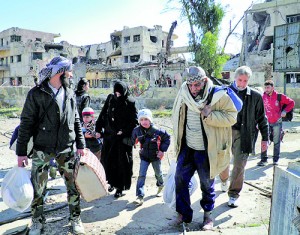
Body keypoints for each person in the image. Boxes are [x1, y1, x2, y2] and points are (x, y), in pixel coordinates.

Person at [16, 56, 86, 235]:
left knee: (73, 186)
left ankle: (75, 218)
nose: (71, 75)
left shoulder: (69, 91)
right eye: (69, 71)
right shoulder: (36, 93)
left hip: (66, 148)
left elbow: (76, 119)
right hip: (42, 149)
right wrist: (21, 153)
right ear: (60, 72)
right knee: (38, 188)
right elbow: (26, 123)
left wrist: (81, 143)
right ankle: (37, 221)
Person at [172, 66, 241, 231]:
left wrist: (210, 115)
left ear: (204, 81)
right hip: (187, 146)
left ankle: (208, 215)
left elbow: (232, 116)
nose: (193, 89)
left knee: (206, 183)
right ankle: (184, 214)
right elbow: (177, 115)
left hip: (207, 149)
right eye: (190, 85)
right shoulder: (184, 93)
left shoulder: (218, 95)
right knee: (180, 179)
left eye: (196, 85)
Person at [219, 66, 268, 208]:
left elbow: (262, 118)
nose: (242, 83)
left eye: (245, 81)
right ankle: (223, 180)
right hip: (225, 132)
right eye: (240, 80)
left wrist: (265, 138)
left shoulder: (255, 96)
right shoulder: (225, 92)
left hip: (244, 134)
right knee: (223, 161)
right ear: (235, 78)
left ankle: (233, 194)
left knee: (239, 165)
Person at [95, 80, 138, 198]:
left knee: (122, 163)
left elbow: (134, 122)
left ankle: (120, 187)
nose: (117, 96)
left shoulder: (130, 102)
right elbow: (103, 114)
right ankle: (111, 183)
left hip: (122, 140)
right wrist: (98, 129)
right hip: (109, 136)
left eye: (120, 94)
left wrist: (123, 131)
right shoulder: (110, 99)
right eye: (116, 93)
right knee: (108, 161)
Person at [130, 109, 170, 206]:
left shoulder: (158, 131)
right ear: (139, 121)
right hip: (144, 156)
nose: (144, 122)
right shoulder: (136, 130)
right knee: (141, 175)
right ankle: (140, 196)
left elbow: (167, 139)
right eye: (142, 119)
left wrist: (162, 150)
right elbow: (132, 141)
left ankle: (161, 186)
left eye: (146, 119)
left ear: (150, 120)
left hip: (155, 156)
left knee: (158, 174)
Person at [257, 80, 295, 166]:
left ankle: (275, 160)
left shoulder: (279, 96)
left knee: (276, 141)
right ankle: (263, 160)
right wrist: (257, 122)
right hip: (266, 122)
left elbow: (292, 103)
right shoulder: (263, 97)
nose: (266, 89)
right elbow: (259, 110)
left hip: (277, 122)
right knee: (264, 141)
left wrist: (285, 111)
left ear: (272, 88)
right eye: (265, 87)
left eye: (268, 87)